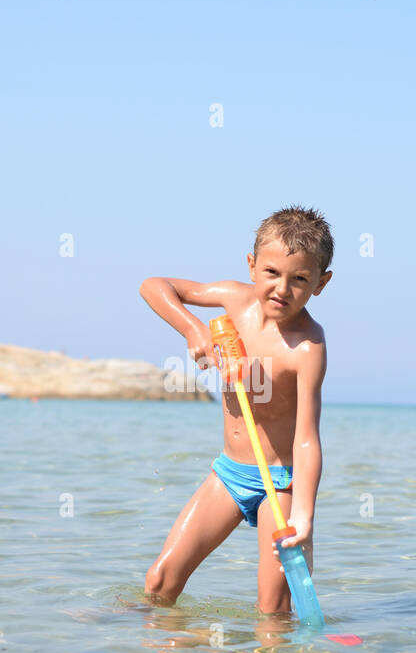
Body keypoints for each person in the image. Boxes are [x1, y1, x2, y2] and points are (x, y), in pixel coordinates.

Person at [139, 206, 334, 615]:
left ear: (321, 283)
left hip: (279, 484)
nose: (282, 288)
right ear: (252, 266)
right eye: (271, 273)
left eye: (299, 279)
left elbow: (306, 438)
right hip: (229, 474)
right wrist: (193, 328)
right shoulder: (232, 300)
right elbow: (154, 286)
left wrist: (304, 515)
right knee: (160, 583)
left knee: (272, 611)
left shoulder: (307, 348)